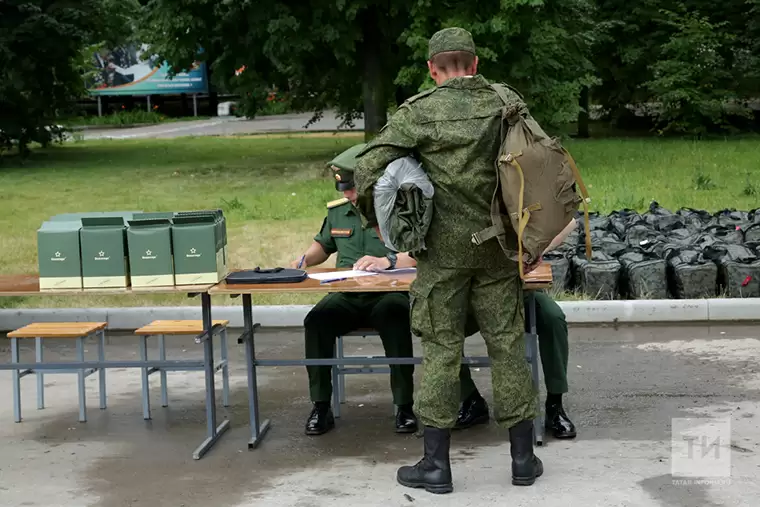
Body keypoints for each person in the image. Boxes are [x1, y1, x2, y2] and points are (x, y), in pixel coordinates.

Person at [355, 27, 543, 493]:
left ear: (432, 69)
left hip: (441, 254)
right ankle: (523, 460)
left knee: (440, 352)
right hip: (500, 248)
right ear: (475, 64)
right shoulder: (505, 101)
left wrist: (384, 223)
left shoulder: (420, 112)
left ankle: (435, 466)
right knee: (507, 348)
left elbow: (366, 168)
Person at [290, 143, 419, 437]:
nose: (347, 195)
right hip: (346, 294)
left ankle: (404, 406)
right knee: (317, 321)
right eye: (343, 190)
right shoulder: (339, 213)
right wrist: (303, 260)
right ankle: (321, 406)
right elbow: (323, 247)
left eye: (352, 189)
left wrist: (385, 261)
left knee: (396, 316)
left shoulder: (397, 209)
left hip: (389, 293)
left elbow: (418, 254)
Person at [456, 218, 580, 439]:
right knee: (440, 328)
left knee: (552, 318)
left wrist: (534, 248)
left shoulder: (510, 190)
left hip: (516, 289)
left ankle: (554, 404)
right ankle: (470, 398)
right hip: (468, 294)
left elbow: (567, 222)